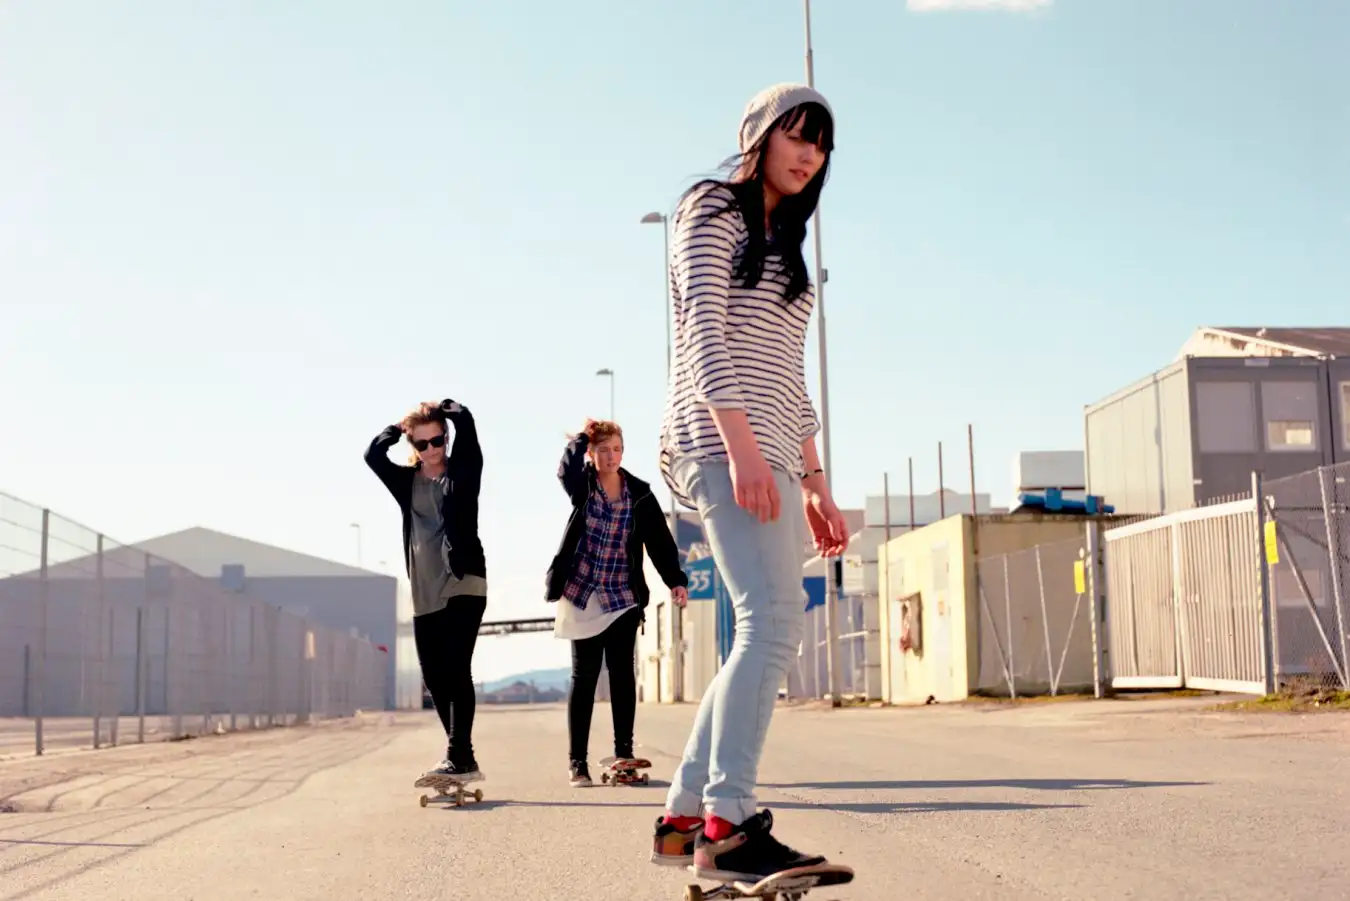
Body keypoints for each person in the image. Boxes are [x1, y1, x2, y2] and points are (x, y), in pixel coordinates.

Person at [648, 84, 851, 881]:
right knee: (769, 622)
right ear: (758, 137)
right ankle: (726, 827)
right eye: (796, 136)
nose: (809, 154)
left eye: (822, 145)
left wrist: (814, 480)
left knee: (762, 626)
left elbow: (789, 374)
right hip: (717, 440)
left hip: (766, 450)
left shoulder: (785, 242)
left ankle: (681, 817)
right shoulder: (711, 209)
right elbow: (701, 329)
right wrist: (739, 449)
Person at [546, 418, 689, 787]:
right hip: (582, 592)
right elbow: (565, 469)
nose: (611, 456)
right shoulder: (583, 487)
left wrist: (675, 580)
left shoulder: (639, 493)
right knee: (585, 677)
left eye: (617, 449)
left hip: (623, 594)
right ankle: (578, 763)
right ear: (592, 454)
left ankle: (624, 753)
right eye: (603, 450)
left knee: (623, 673)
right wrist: (582, 437)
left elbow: (659, 539)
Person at [364, 398, 488, 782]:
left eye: (438, 440)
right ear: (412, 447)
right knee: (433, 676)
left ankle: (457, 755)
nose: (433, 450)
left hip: (464, 582)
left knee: (455, 667)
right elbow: (372, 456)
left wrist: (453, 411)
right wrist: (394, 432)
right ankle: (461, 756)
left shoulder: (464, 471)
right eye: (423, 444)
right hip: (424, 591)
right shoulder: (406, 483)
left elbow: (467, 430)